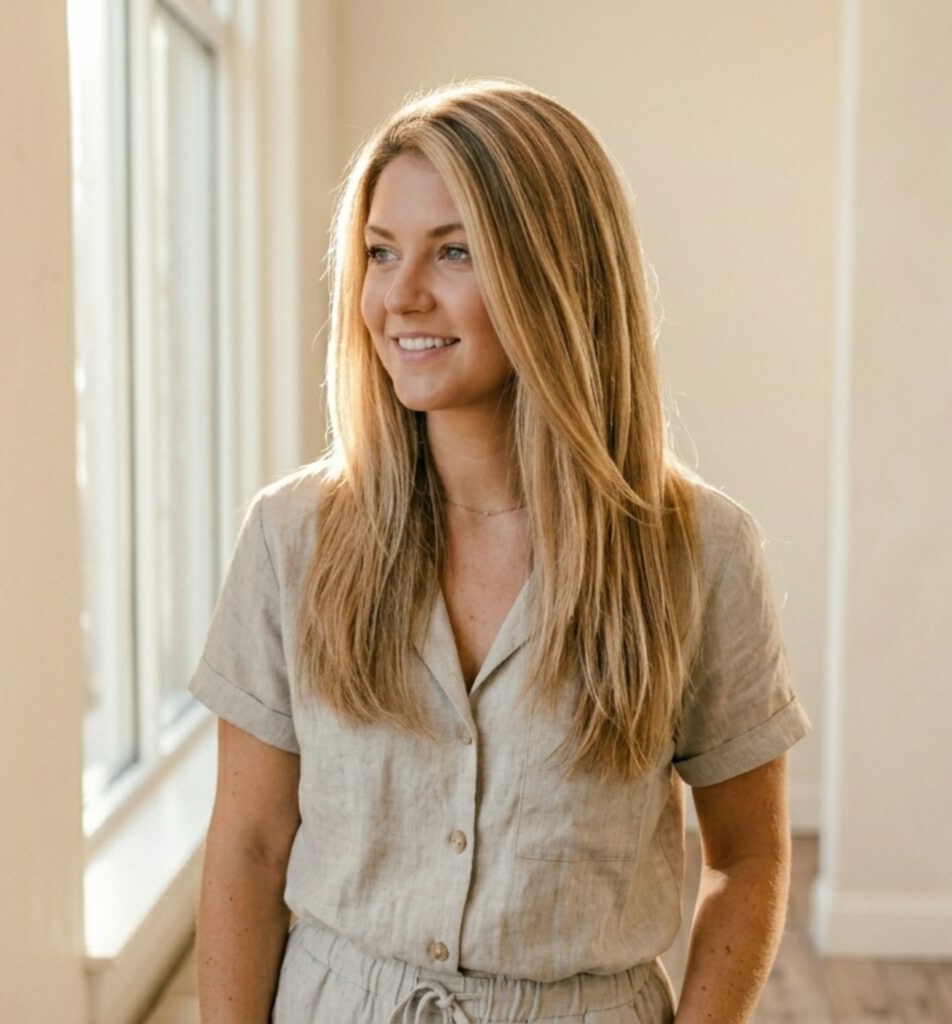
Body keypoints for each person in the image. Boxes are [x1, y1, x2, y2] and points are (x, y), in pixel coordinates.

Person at [188, 79, 811, 1024]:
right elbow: (249, 843)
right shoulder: (292, 539)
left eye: (455, 252)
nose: (400, 296)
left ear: (556, 276)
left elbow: (748, 856)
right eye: (380, 252)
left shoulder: (701, 553)